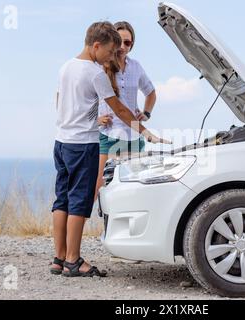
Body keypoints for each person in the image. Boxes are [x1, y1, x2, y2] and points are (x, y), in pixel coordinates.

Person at [50, 21, 169, 277]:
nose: (111, 56)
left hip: (61, 142)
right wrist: (146, 132)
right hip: (83, 145)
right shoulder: (95, 73)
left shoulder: (66, 67)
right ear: (96, 46)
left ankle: (58, 259)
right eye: (109, 50)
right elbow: (120, 109)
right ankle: (73, 261)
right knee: (79, 203)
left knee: (62, 199)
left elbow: (59, 100)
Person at [95, 21, 156, 196]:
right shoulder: (100, 66)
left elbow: (151, 92)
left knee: (134, 189)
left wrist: (146, 113)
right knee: (100, 187)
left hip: (134, 135)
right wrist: (96, 119)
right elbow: (86, 98)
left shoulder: (136, 67)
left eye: (127, 42)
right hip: (108, 135)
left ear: (132, 44)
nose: (123, 46)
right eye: (119, 41)